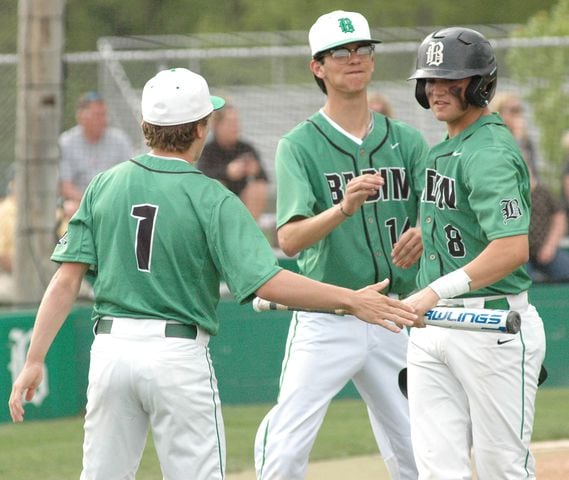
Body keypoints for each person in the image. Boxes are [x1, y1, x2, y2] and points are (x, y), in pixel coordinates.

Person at [8, 67, 418, 480]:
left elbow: (64, 280)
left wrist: (35, 358)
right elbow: (270, 281)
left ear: (145, 125)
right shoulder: (211, 196)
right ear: (202, 128)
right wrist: (350, 299)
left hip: (111, 351)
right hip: (176, 354)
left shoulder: (103, 185)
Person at [254, 10, 429, 480]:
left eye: (362, 50)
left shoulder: (408, 140)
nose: (354, 60)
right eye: (341, 53)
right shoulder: (299, 144)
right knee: (287, 449)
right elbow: (288, 239)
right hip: (328, 315)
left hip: (392, 313)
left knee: (418, 447)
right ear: (318, 66)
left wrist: (425, 231)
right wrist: (342, 209)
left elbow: (438, 212)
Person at [406, 27, 546, 479]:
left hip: (491, 327)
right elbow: (468, 227)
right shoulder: (444, 148)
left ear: (480, 84)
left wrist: (433, 290)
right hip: (434, 325)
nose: (437, 89)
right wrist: (426, 235)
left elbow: (511, 249)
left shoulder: (488, 150)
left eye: (451, 79)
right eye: (431, 79)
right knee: (436, 470)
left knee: (501, 468)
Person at [58, 91, 135, 220]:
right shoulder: (66, 142)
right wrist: (90, 203)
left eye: (104, 114)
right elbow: (65, 186)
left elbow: (129, 179)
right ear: (81, 117)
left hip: (113, 203)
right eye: (96, 115)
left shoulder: (120, 140)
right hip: (80, 203)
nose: (102, 120)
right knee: (69, 208)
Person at [197, 104, 268, 220]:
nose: (235, 127)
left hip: (243, 201)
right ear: (217, 126)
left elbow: (264, 178)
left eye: (237, 122)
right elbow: (201, 178)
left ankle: (249, 227)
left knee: (258, 187)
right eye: (230, 123)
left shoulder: (246, 148)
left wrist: (255, 171)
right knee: (218, 185)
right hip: (219, 204)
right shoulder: (208, 150)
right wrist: (227, 172)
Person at [528, 169, 569, 281]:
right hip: (520, 255)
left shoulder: (544, 193)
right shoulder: (509, 195)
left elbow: (559, 217)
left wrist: (549, 246)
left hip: (545, 249)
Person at [490, 91, 541, 178]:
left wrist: (519, 139)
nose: (518, 115)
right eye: (513, 110)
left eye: (519, 110)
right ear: (498, 112)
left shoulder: (525, 141)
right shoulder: (492, 139)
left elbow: (530, 180)